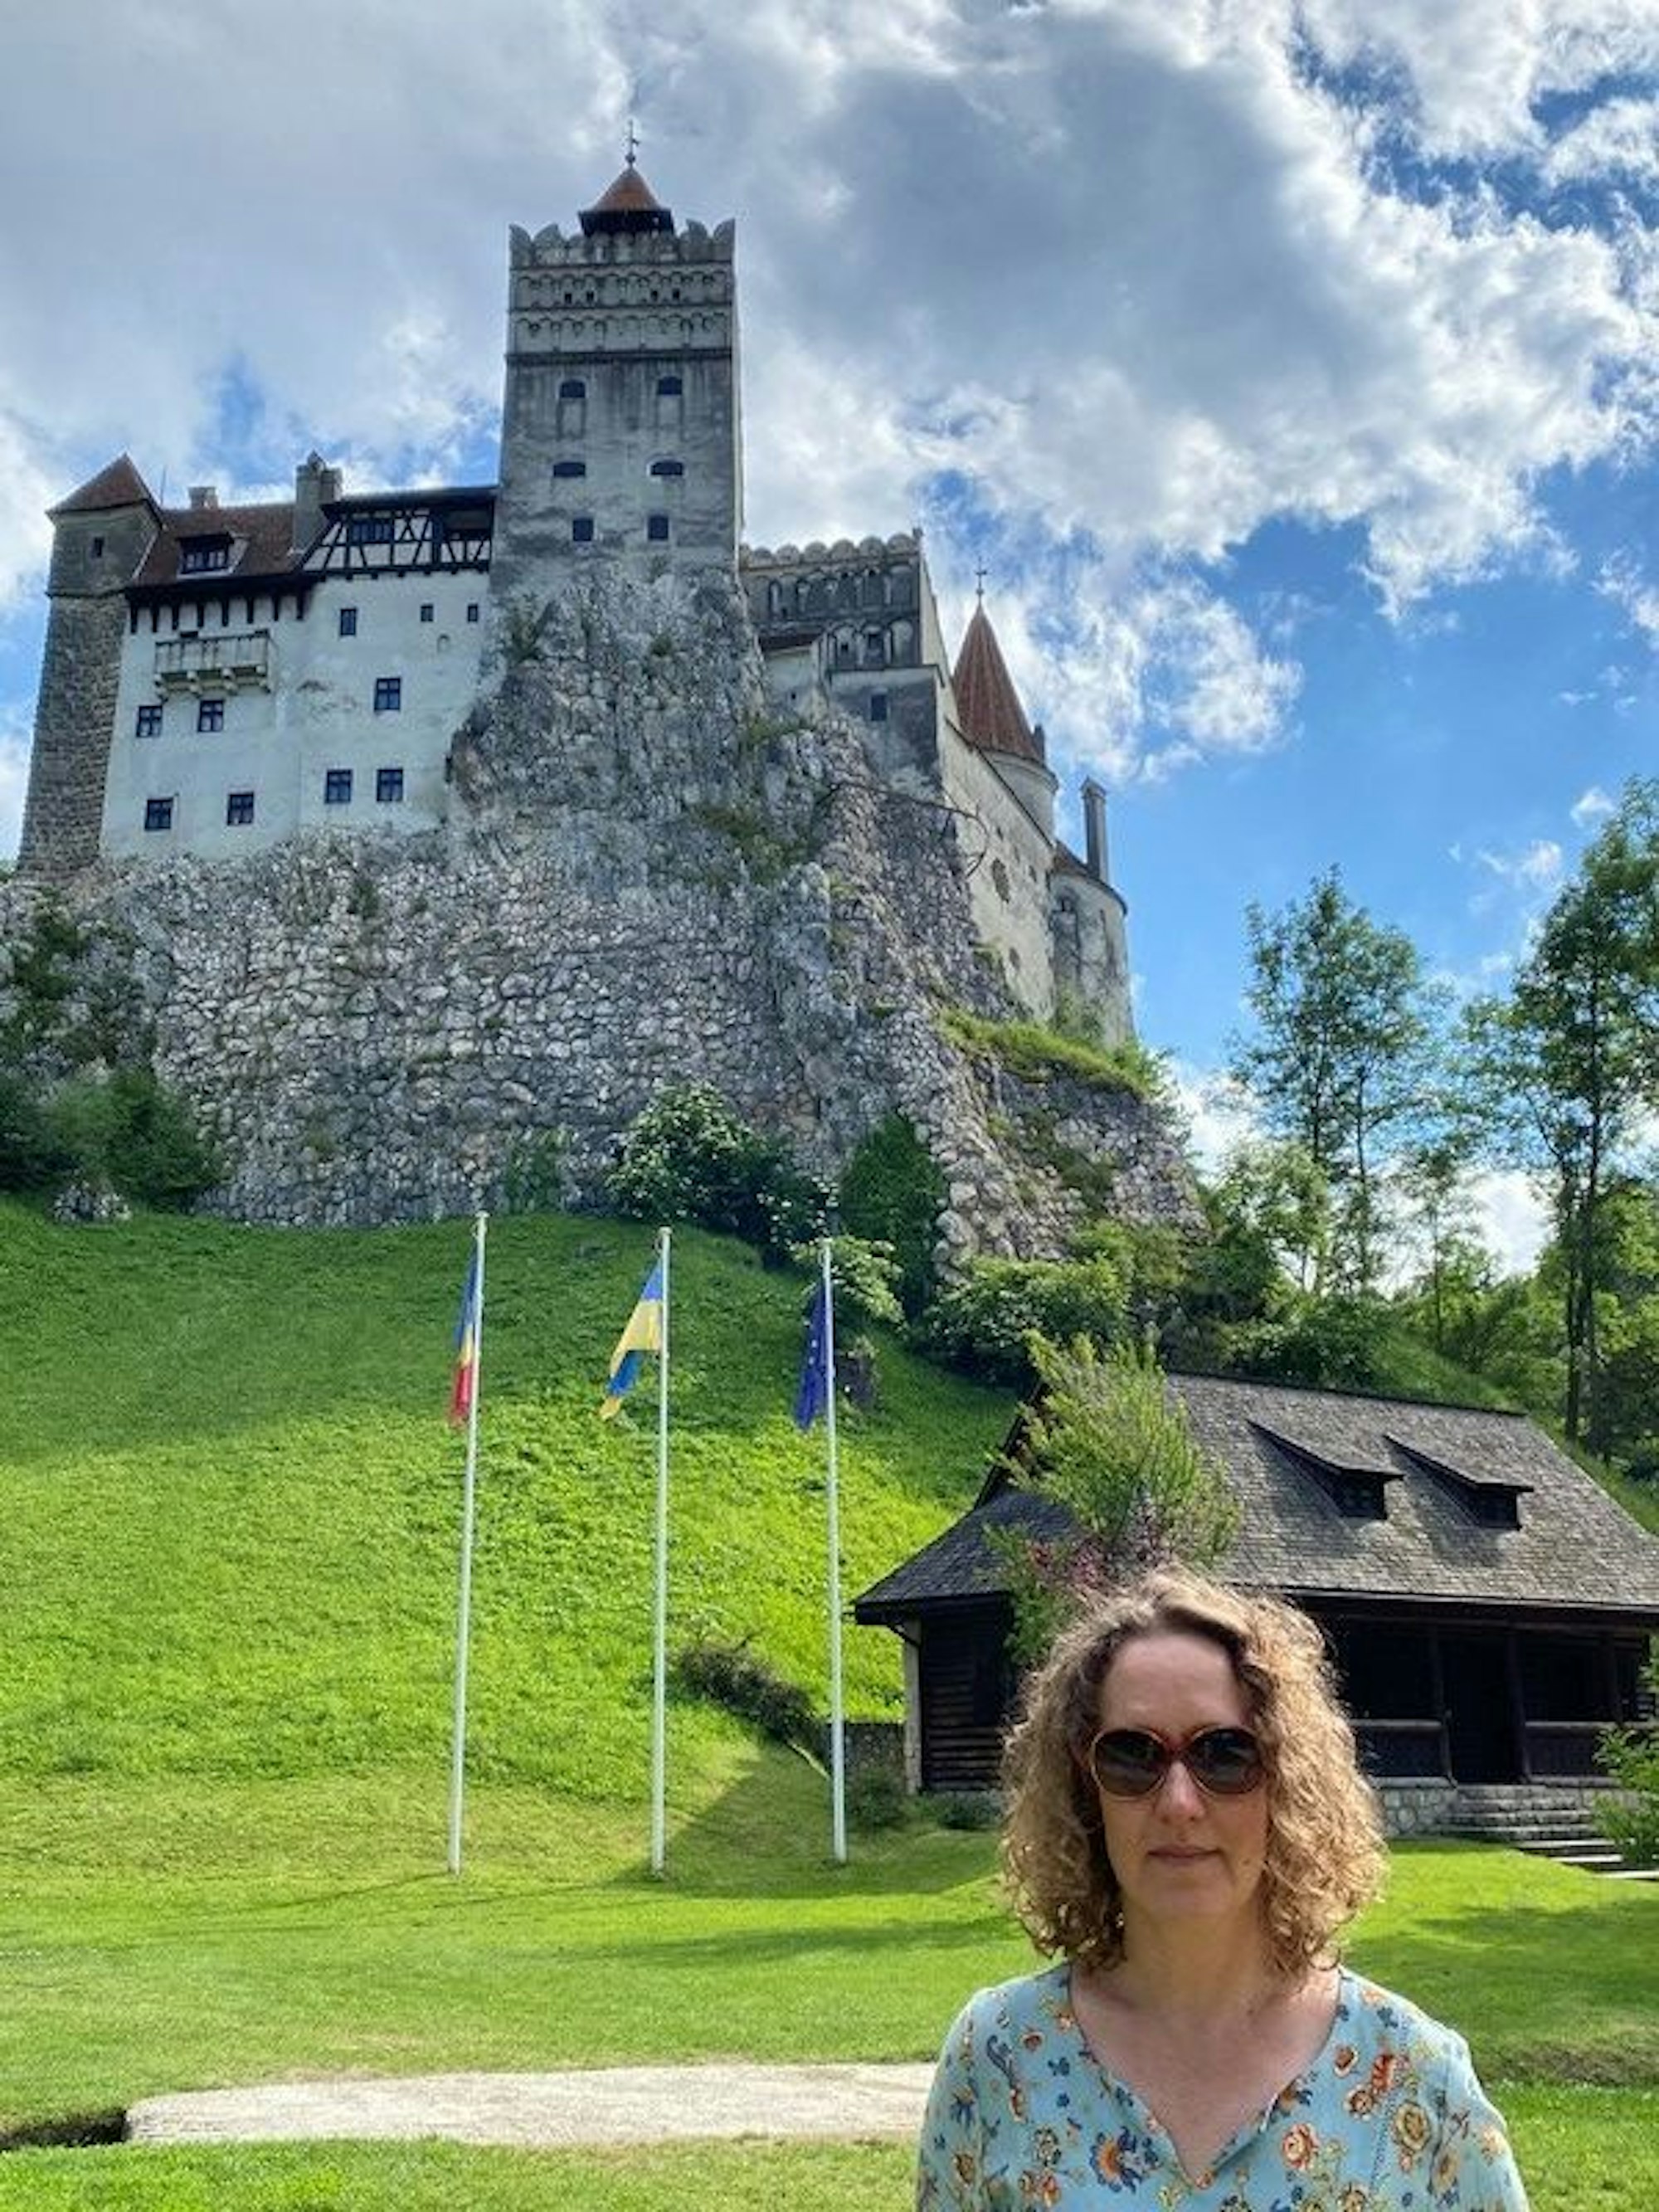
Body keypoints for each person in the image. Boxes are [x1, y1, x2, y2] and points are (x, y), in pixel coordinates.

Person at [917, 1568, 1529, 2210]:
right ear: (1086, 1784)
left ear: (1286, 1778)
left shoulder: (1415, 2075)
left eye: (1224, 1755)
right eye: (1133, 1755)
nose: (1179, 1803)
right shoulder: (998, 2056)